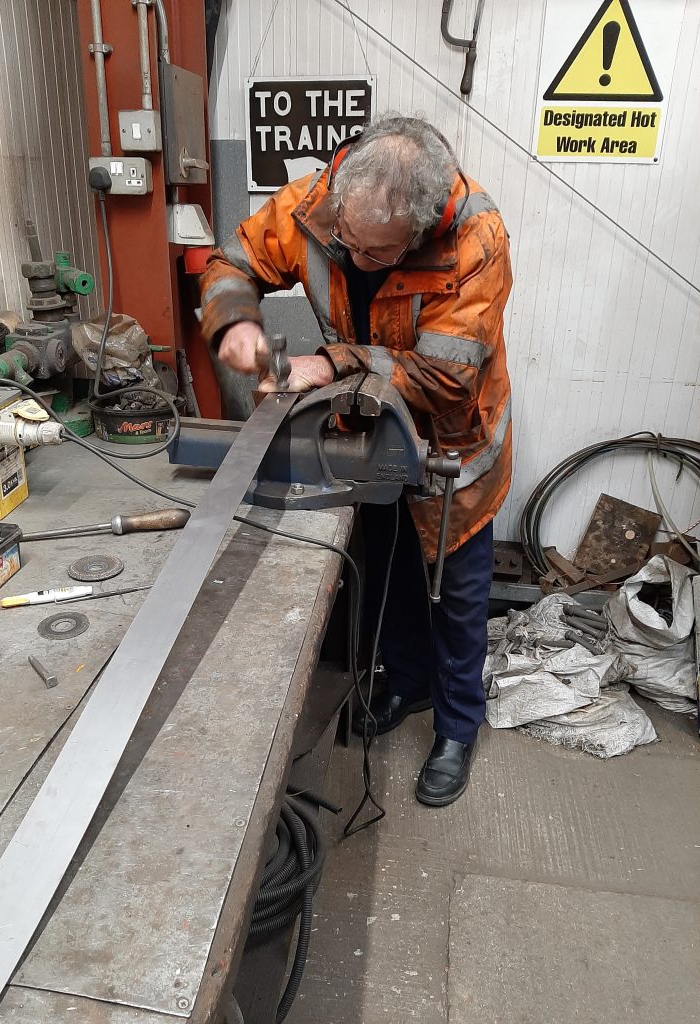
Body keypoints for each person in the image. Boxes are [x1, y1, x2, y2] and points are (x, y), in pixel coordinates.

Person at [200, 113, 512, 807]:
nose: (353, 259)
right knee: (392, 569)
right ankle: (405, 682)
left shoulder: (476, 240)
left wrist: (336, 359)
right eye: (346, 242)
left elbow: (447, 378)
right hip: (367, 436)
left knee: (456, 595)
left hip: (452, 448)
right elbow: (230, 262)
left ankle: (459, 725)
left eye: (377, 254)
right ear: (341, 190)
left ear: (424, 228)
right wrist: (237, 322)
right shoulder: (319, 203)